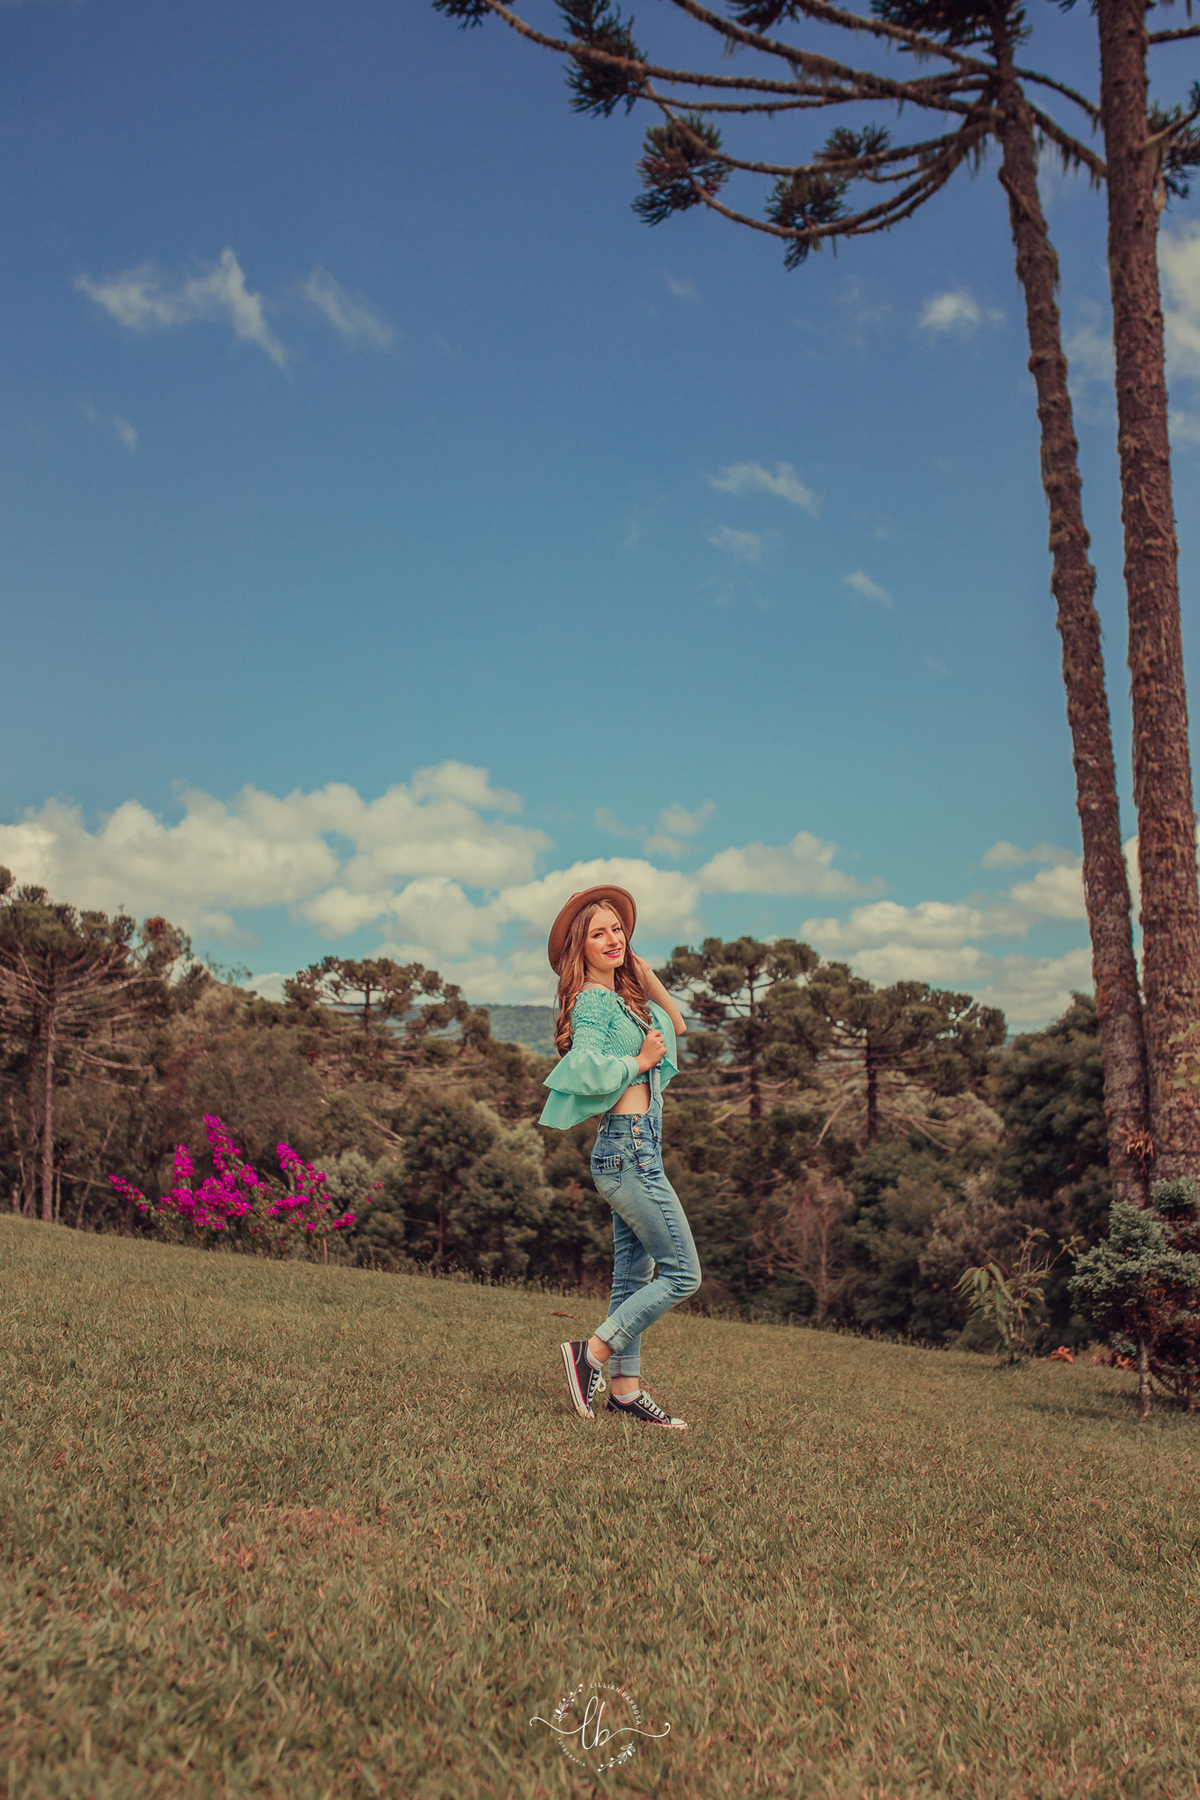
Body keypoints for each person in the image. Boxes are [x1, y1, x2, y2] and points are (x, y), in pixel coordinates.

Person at [539, 885, 700, 1428]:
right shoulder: (593, 1002)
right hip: (628, 1149)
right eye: (598, 933)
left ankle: (626, 1390)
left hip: (637, 1147)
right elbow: (583, 1066)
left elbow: (676, 1025)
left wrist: (636, 963)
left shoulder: (624, 999)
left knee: (633, 1278)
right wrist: (636, 1063)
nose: (612, 939)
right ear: (578, 949)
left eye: (618, 930)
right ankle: (592, 1355)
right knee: (683, 1275)